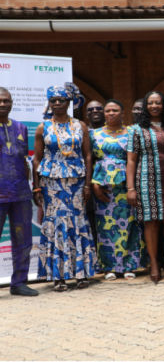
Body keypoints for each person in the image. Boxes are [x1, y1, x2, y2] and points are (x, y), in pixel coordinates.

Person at [33, 82, 96, 292]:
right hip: (51, 183)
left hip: (77, 182)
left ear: (69, 102)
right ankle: (57, 275)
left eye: (61, 100)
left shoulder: (80, 125)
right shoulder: (43, 127)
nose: (57, 103)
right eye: (53, 100)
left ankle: (80, 273)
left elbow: (88, 156)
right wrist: (36, 186)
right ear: (49, 103)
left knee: (78, 223)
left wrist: (88, 185)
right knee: (55, 224)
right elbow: (37, 160)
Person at [127, 91, 164, 283]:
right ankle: (154, 264)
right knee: (151, 222)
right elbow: (131, 161)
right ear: (145, 106)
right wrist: (131, 188)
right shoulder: (136, 130)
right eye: (150, 103)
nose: (154, 106)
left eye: (158, 103)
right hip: (146, 181)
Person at [90, 99, 147, 281]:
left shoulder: (132, 132)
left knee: (129, 224)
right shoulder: (94, 134)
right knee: (105, 228)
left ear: (123, 113)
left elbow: (134, 160)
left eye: (115, 110)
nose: (111, 113)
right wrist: (94, 184)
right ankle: (109, 267)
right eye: (108, 111)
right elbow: (90, 160)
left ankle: (129, 265)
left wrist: (132, 188)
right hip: (103, 186)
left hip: (125, 185)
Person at [0, 88, 38, 296]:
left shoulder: (21, 127)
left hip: (21, 193)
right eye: (0, 101)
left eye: (6, 101)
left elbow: (25, 160)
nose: (3, 104)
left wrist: (31, 187)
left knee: (23, 240)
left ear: (12, 102)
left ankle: (19, 283)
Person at [84, 100, 105, 247]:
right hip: (87, 183)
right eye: (91, 109)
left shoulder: (112, 132)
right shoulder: (82, 133)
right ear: (86, 114)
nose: (95, 111)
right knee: (91, 221)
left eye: (99, 108)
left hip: (108, 182)